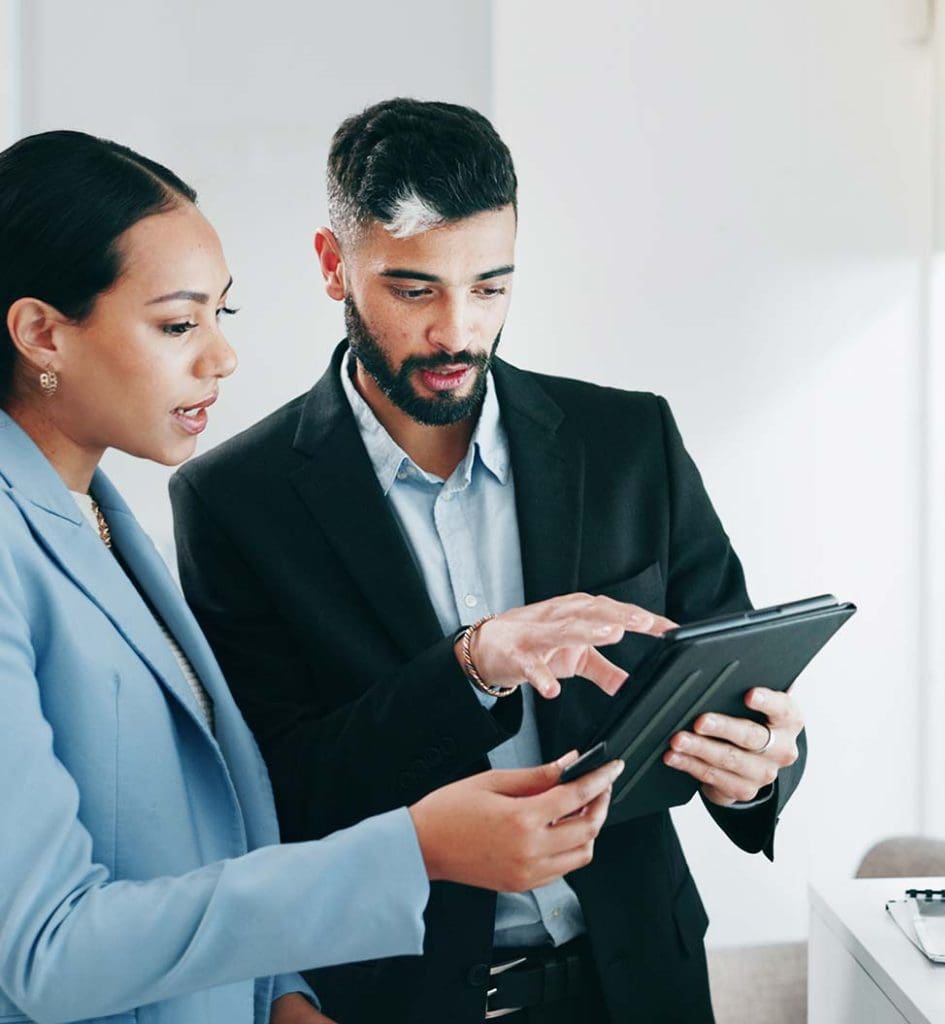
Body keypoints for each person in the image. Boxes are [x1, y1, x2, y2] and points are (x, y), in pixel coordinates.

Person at [170, 99, 807, 1024]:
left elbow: (736, 681)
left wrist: (761, 766)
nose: (457, 332)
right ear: (332, 264)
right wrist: (468, 667)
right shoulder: (234, 500)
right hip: (395, 1002)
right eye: (414, 291)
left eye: (490, 288)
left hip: (639, 985)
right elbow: (274, 792)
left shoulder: (629, 442)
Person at [0, 129, 634, 1024]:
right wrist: (414, 851)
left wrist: (281, 997)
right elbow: (45, 949)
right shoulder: (137, 516)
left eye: (223, 314)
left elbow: (207, 830)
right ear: (40, 333)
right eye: (178, 324)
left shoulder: (99, 516)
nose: (221, 358)